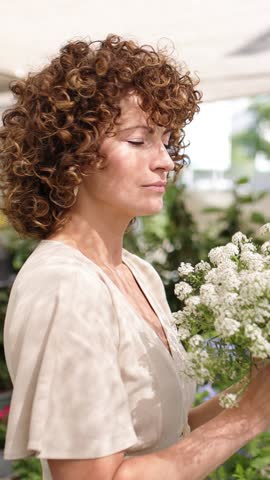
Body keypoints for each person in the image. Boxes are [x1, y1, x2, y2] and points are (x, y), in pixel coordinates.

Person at [0, 34, 269, 480]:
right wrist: (249, 418)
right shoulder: (65, 288)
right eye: (139, 140)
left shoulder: (134, 272)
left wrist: (254, 392)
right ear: (74, 152)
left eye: (166, 140)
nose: (166, 160)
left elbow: (169, 435)